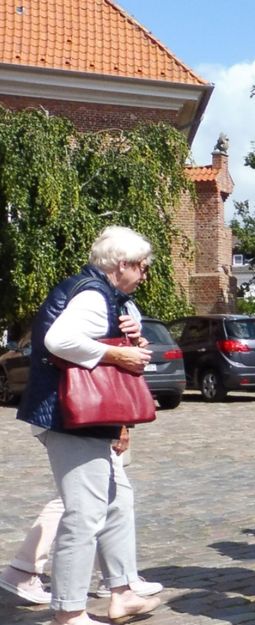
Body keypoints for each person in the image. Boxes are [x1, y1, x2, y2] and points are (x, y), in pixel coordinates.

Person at [15, 226, 162, 624]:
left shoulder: (100, 293)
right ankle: (70, 612)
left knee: (115, 502)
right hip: (70, 416)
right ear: (122, 265)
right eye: (143, 268)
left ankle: (122, 592)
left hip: (79, 416)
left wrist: (127, 339)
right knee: (85, 514)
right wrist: (117, 354)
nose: (145, 275)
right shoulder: (94, 294)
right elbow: (60, 341)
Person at [0, 440, 164, 606]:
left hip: (80, 427)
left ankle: (115, 581)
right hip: (82, 426)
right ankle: (27, 572)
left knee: (97, 494)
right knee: (90, 496)